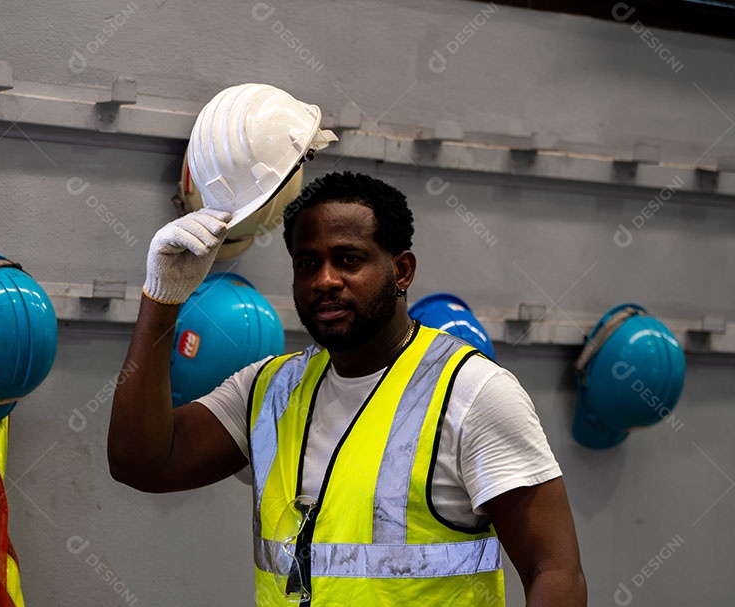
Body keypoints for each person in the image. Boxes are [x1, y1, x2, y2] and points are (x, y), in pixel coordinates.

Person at [108, 171, 587, 606]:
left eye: (349, 260)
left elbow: (554, 571)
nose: (325, 281)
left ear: (401, 271)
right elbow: (141, 462)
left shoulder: (474, 392)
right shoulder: (270, 389)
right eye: (307, 263)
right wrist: (162, 297)